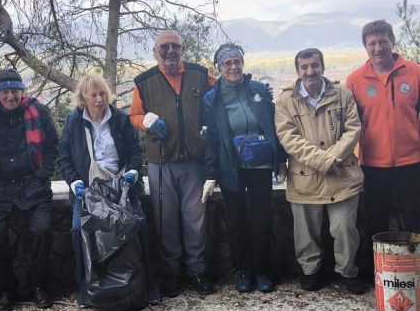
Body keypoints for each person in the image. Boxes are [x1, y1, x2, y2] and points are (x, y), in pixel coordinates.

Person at [346, 19, 420, 279]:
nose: (378, 48)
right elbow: (345, 123)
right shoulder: (355, 80)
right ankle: (376, 276)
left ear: (392, 42)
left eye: (383, 42)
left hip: (410, 164)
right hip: (372, 166)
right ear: (365, 47)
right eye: (372, 43)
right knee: (374, 225)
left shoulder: (414, 72)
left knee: (416, 223)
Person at [275, 47, 368, 294]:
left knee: (344, 229)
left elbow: (353, 129)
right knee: (306, 232)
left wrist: (332, 158)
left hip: (342, 175)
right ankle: (311, 271)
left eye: (314, 65)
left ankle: (348, 272)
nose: (310, 71)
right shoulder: (286, 100)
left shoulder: (342, 94)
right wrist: (323, 161)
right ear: (298, 71)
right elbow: (288, 138)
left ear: (322, 67)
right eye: (304, 67)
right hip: (304, 178)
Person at [129, 29, 215, 296]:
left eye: (174, 47)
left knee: (195, 220)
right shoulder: (144, 81)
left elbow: (221, 98)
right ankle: (171, 274)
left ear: (183, 49)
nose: (169, 52)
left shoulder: (200, 75)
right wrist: (148, 123)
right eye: (163, 47)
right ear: (155, 51)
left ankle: (197, 271)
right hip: (161, 162)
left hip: (194, 161)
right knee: (165, 221)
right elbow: (134, 115)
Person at [201, 43, 286, 293]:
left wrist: (280, 159)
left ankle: (262, 270)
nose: (233, 67)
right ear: (219, 68)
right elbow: (211, 139)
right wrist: (210, 175)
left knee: (262, 219)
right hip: (231, 166)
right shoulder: (212, 98)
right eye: (227, 63)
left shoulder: (258, 89)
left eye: (237, 61)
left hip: (259, 165)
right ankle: (242, 271)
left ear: (243, 64)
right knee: (236, 220)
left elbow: (274, 126)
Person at [0, 69, 59, 311]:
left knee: (42, 230)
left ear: (22, 91)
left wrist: (43, 174)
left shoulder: (38, 112)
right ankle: (6, 290)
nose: (11, 96)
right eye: (5, 91)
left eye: (15, 90)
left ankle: (39, 285)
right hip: (0, 189)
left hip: (34, 186)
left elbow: (53, 147)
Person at [57, 72, 144, 291]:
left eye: (103, 94)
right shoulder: (74, 122)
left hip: (119, 186)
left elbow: (135, 152)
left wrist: (132, 171)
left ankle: (138, 283)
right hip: (88, 190)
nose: (99, 100)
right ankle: (86, 285)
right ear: (83, 97)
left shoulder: (120, 119)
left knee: (137, 225)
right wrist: (73, 181)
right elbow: (64, 156)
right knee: (79, 230)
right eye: (93, 95)